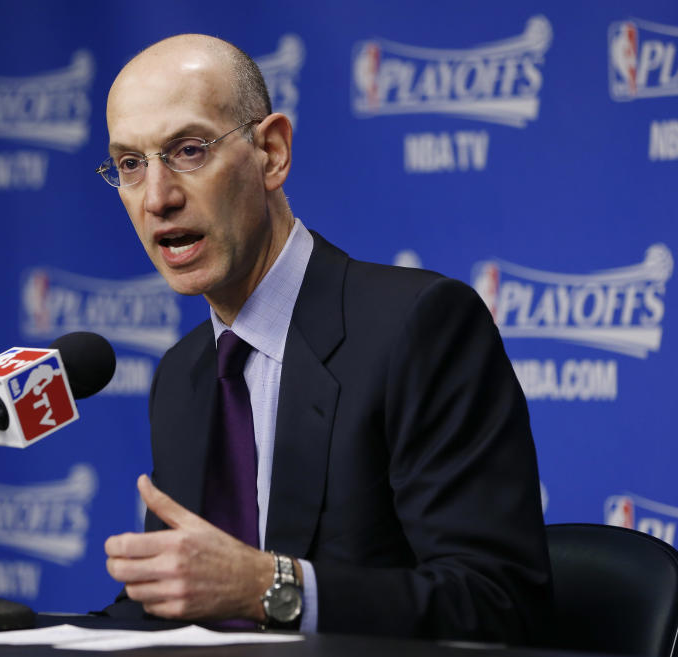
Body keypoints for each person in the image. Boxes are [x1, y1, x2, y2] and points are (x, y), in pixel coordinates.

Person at [97, 33, 552, 643]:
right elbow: (180, 609)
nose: (158, 197)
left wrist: (268, 587)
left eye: (189, 149)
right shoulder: (183, 375)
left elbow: (498, 604)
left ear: (272, 153)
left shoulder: (420, 327)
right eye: (131, 164)